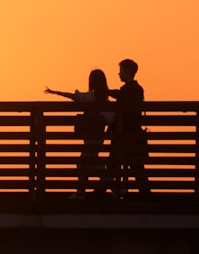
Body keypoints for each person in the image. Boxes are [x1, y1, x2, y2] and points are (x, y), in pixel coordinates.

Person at [45, 69, 114, 199]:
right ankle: (111, 188)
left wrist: (56, 93)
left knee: (86, 163)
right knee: (93, 163)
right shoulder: (105, 100)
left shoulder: (90, 97)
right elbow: (111, 118)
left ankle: (82, 192)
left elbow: (74, 96)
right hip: (99, 137)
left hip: (90, 137)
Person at [104, 58, 150, 197]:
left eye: (121, 71)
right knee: (135, 166)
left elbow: (121, 96)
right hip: (132, 135)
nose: (119, 74)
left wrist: (105, 91)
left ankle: (107, 190)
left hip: (126, 135)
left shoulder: (130, 90)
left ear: (127, 72)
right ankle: (144, 193)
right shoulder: (136, 89)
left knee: (114, 165)